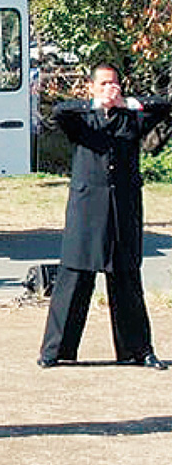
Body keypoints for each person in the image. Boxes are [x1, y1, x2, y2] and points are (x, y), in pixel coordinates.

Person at [38, 64, 170, 370]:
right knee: (74, 279)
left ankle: (137, 350)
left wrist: (127, 103)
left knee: (126, 279)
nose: (111, 88)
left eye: (115, 84)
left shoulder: (131, 117)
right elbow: (58, 112)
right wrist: (96, 104)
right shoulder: (83, 119)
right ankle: (55, 350)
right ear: (92, 87)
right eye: (105, 83)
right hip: (87, 208)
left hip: (122, 207)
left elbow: (163, 106)